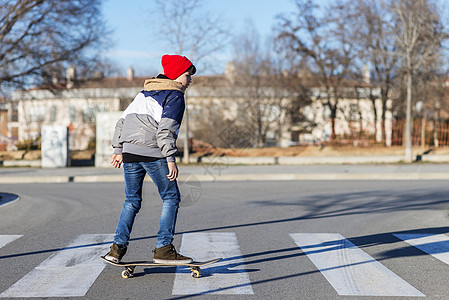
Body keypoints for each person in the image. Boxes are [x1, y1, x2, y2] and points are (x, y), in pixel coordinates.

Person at [104, 54, 196, 264]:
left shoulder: (143, 94)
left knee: (131, 200)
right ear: (175, 76)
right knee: (171, 197)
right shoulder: (174, 96)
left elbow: (121, 122)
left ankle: (116, 250)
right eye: (187, 75)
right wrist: (170, 158)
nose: (189, 80)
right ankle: (164, 249)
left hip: (129, 152)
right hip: (153, 152)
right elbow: (165, 131)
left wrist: (118, 149)